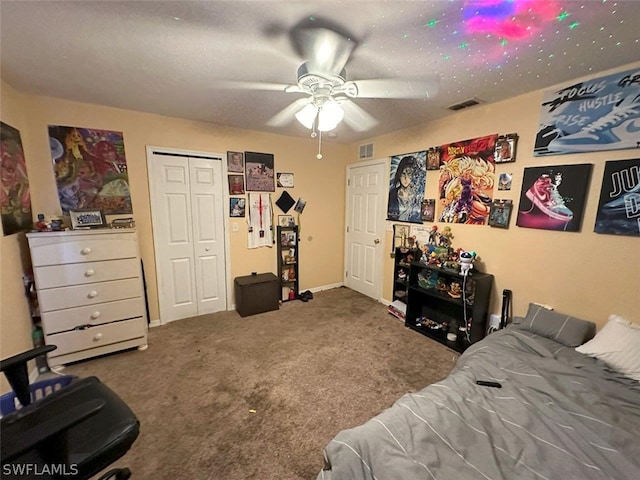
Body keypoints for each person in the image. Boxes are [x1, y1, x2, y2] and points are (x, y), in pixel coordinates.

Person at [387, 155, 422, 222]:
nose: (406, 178)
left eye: (409, 174)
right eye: (403, 174)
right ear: (399, 175)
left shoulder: (418, 195)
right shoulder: (392, 194)